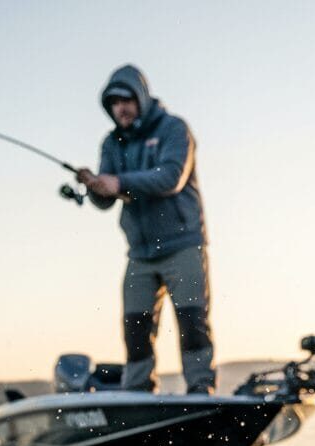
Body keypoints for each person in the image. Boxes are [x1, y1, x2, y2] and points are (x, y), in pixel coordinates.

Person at [76, 65, 216, 394]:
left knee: (192, 323)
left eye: (125, 100)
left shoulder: (173, 129)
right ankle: (137, 395)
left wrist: (119, 182)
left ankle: (200, 390)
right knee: (135, 329)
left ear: (140, 97)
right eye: (113, 103)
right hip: (140, 253)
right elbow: (106, 200)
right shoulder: (111, 144)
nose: (120, 108)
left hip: (183, 244)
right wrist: (96, 187)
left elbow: (170, 177)